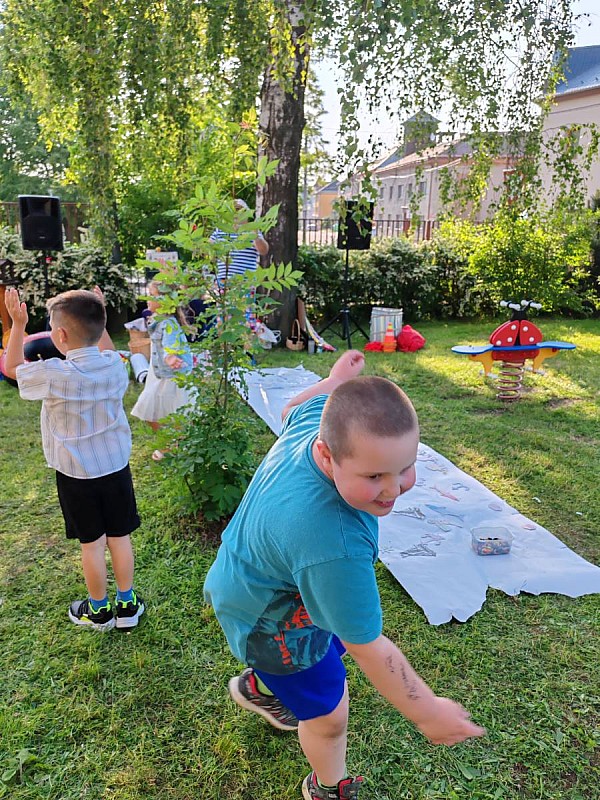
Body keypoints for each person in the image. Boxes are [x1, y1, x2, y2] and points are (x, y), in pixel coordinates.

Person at [204, 350, 485, 800]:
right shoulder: (332, 543)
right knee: (330, 717)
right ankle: (327, 787)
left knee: (324, 647)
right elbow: (367, 645)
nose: (393, 490)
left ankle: (263, 686)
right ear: (327, 455)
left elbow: (297, 406)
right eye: (374, 475)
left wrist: (334, 378)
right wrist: (426, 709)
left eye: (405, 468)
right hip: (269, 619)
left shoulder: (321, 421)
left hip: (257, 577)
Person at [3, 286, 144, 632]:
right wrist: (103, 316)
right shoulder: (114, 364)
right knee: (120, 537)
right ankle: (127, 606)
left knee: (92, 544)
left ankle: (98, 611)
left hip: (75, 474)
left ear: (60, 336)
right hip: (115, 468)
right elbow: (106, 346)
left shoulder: (52, 373)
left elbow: (11, 369)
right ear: (99, 329)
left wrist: (18, 324)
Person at [130, 280, 193, 461]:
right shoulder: (158, 319)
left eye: (153, 295)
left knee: (166, 411)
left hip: (171, 375)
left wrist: (171, 356)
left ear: (166, 300)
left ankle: (174, 444)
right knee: (154, 410)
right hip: (160, 373)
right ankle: (175, 442)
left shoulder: (168, 323)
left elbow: (170, 343)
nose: (148, 298)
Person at [211, 198, 270, 285]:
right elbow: (207, 248)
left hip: (245, 283)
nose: (236, 213)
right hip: (222, 281)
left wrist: (256, 237)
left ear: (246, 213)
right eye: (232, 210)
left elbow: (264, 250)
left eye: (239, 210)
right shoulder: (221, 230)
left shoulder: (251, 230)